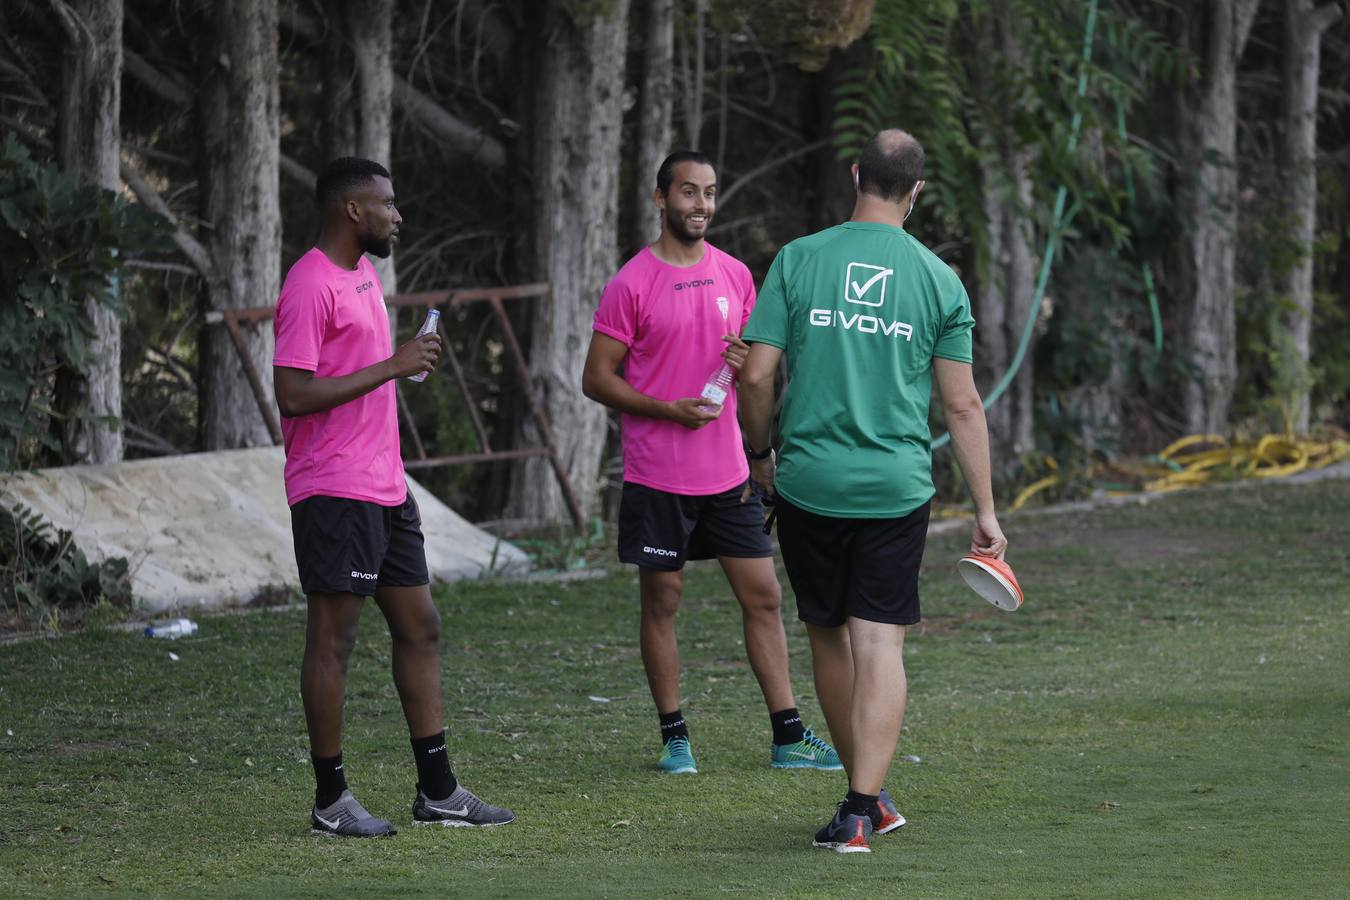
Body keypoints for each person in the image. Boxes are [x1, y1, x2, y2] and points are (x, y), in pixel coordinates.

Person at [738, 130, 1008, 853]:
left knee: (828, 635)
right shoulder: (938, 279)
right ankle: (865, 801)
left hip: (809, 483)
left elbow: (757, 376)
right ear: (916, 191)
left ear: (857, 175)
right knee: (880, 641)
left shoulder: (798, 259)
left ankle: (862, 797)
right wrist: (985, 512)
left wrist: (760, 454)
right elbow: (963, 407)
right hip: (895, 488)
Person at [273, 157, 514, 837]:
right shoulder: (309, 283)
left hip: (385, 484)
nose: (397, 215)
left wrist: (401, 363)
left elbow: (359, 376)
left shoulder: (364, 275)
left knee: (420, 625)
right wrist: (392, 365)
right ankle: (330, 801)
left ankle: (438, 790)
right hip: (333, 488)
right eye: (386, 204)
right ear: (353, 210)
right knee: (334, 640)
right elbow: (292, 394)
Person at [581, 150, 840, 775]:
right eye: (689, 192)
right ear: (660, 197)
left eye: (710, 193)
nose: (701, 205)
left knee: (765, 598)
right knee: (662, 604)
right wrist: (664, 409)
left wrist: (749, 362)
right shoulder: (632, 283)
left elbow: (753, 367)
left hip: (729, 476)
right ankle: (675, 738)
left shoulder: (734, 274)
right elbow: (595, 379)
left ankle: (788, 736)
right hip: (657, 477)